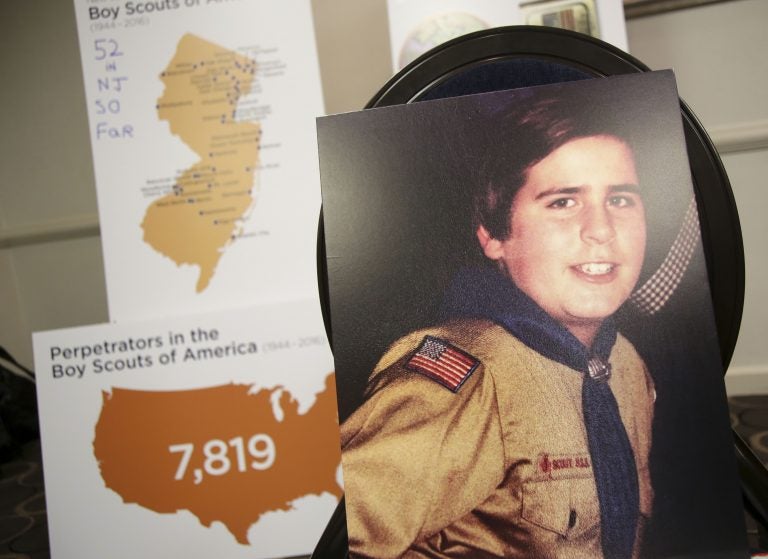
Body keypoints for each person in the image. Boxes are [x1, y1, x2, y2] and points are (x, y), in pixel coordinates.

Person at [339, 92, 656, 559]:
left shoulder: (626, 364)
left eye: (621, 199)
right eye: (564, 201)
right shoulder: (467, 377)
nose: (602, 229)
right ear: (494, 235)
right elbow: (333, 537)